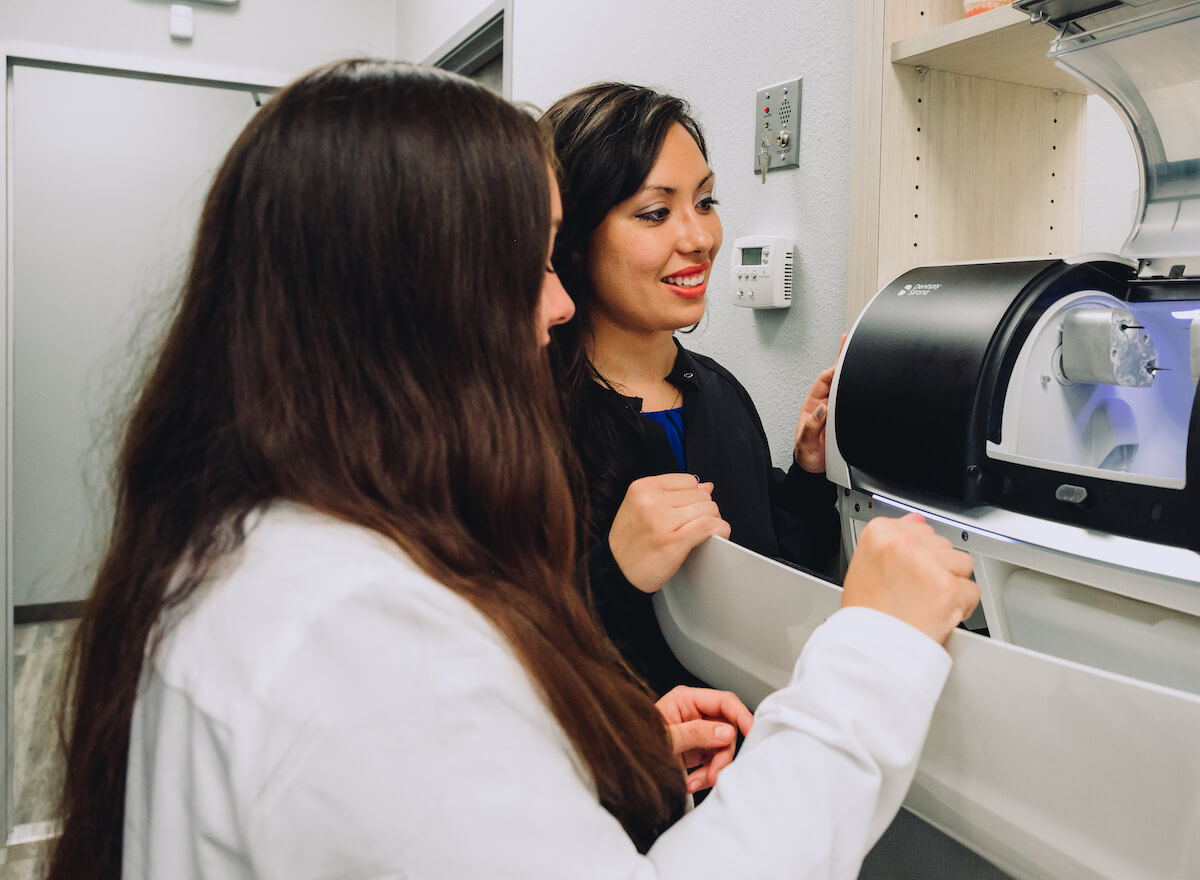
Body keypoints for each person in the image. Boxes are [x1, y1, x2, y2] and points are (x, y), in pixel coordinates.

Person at [48, 59, 978, 880]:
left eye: (704, 201)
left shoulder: (262, 548)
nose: (558, 305)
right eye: (532, 264)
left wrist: (575, 748)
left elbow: (437, 796)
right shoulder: (362, 633)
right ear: (412, 301)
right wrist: (875, 654)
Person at [543, 83, 843, 696]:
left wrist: (810, 474)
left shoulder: (720, 395)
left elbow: (780, 573)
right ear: (573, 237)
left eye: (705, 202)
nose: (700, 238)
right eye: (656, 213)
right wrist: (613, 571)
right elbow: (500, 651)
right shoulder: (529, 418)